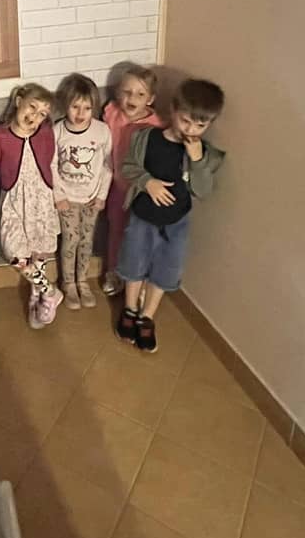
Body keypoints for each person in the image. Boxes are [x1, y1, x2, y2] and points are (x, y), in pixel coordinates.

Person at [116, 78, 225, 353]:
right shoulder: (147, 138)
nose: (190, 130)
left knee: (167, 268)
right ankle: (130, 309)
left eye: (200, 126)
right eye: (185, 121)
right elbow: (128, 166)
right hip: (143, 215)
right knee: (133, 261)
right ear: (174, 110)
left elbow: (203, 190)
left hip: (177, 223)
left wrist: (197, 159)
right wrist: (148, 182)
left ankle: (147, 316)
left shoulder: (203, 153)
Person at [0, 84, 63, 329]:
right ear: (18, 101)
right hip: (13, 198)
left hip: (40, 197)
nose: (34, 116)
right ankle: (49, 290)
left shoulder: (45, 133)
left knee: (39, 249)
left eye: (42, 113)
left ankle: (37, 296)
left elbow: (50, 160)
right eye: (32, 107)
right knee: (15, 252)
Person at [52, 73, 113, 311]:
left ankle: (82, 281)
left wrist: (102, 196)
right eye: (75, 107)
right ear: (65, 105)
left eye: (87, 108)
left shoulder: (102, 131)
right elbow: (50, 165)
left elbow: (108, 165)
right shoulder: (58, 131)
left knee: (86, 240)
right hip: (67, 198)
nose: (80, 113)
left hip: (91, 198)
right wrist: (59, 196)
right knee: (71, 239)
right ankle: (68, 283)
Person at [102, 66, 162, 296]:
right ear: (118, 93)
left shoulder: (156, 124)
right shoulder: (112, 113)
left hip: (142, 190)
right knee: (116, 230)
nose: (132, 98)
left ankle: (140, 278)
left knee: (141, 235)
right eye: (127, 92)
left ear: (150, 99)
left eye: (140, 94)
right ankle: (114, 272)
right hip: (117, 186)